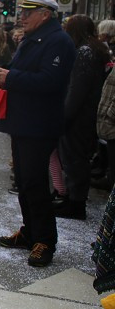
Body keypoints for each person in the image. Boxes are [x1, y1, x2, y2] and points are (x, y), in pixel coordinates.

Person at [0, 0, 77, 268]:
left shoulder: (59, 42)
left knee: (35, 183)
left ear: (46, 14)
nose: (23, 16)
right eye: (22, 11)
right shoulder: (36, 38)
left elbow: (50, 81)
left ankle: (45, 240)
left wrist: (11, 77)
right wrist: (7, 76)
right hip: (24, 121)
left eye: (30, 12)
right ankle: (30, 233)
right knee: (24, 182)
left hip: (39, 124)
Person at [56, 15, 110, 219]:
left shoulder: (84, 53)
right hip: (86, 112)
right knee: (76, 157)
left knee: (74, 157)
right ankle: (72, 198)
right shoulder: (94, 50)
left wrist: (65, 115)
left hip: (79, 115)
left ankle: (75, 202)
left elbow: (77, 89)